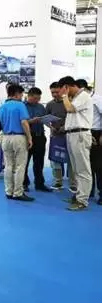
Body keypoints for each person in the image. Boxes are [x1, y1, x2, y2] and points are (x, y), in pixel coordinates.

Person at [60, 76, 93, 211]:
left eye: (62, 89)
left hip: (79, 134)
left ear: (67, 87)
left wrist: (65, 96)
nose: (61, 93)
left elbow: (70, 109)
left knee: (83, 169)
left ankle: (82, 200)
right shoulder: (76, 98)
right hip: (72, 134)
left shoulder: (83, 96)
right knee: (76, 169)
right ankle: (78, 195)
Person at [0, 84, 34, 201]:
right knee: (20, 166)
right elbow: (24, 122)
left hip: (5, 137)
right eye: (21, 94)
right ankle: (18, 192)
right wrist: (29, 137)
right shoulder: (20, 105)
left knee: (8, 165)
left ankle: (8, 191)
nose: (22, 97)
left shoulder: (1, 107)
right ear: (17, 94)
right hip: (19, 137)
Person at [45, 82, 74, 190]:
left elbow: (74, 117)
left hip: (69, 135)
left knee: (71, 160)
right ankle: (58, 181)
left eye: (57, 92)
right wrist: (50, 127)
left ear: (62, 91)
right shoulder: (49, 104)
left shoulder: (69, 102)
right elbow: (45, 119)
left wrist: (65, 127)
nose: (55, 94)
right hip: (55, 136)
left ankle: (73, 183)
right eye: (52, 92)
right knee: (55, 159)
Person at [23, 87, 51, 192]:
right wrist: (31, 121)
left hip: (40, 136)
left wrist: (51, 125)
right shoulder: (22, 106)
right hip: (27, 137)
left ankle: (39, 183)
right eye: (35, 98)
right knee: (24, 161)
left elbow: (45, 119)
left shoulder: (40, 107)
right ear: (29, 96)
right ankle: (24, 183)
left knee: (39, 162)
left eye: (38, 98)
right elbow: (21, 121)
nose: (37, 100)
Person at [91, 88, 102, 205]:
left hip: (97, 133)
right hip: (87, 133)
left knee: (99, 166)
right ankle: (89, 191)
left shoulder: (97, 99)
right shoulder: (83, 100)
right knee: (87, 166)